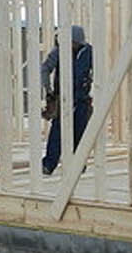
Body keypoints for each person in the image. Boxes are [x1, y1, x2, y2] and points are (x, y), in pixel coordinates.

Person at [40, 25, 94, 175]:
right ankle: (49, 164)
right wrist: (48, 89)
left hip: (82, 98)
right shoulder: (59, 52)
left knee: (80, 132)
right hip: (63, 98)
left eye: (71, 42)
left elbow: (98, 71)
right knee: (57, 131)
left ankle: (78, 164)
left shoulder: (88, 52)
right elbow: (45, 69)